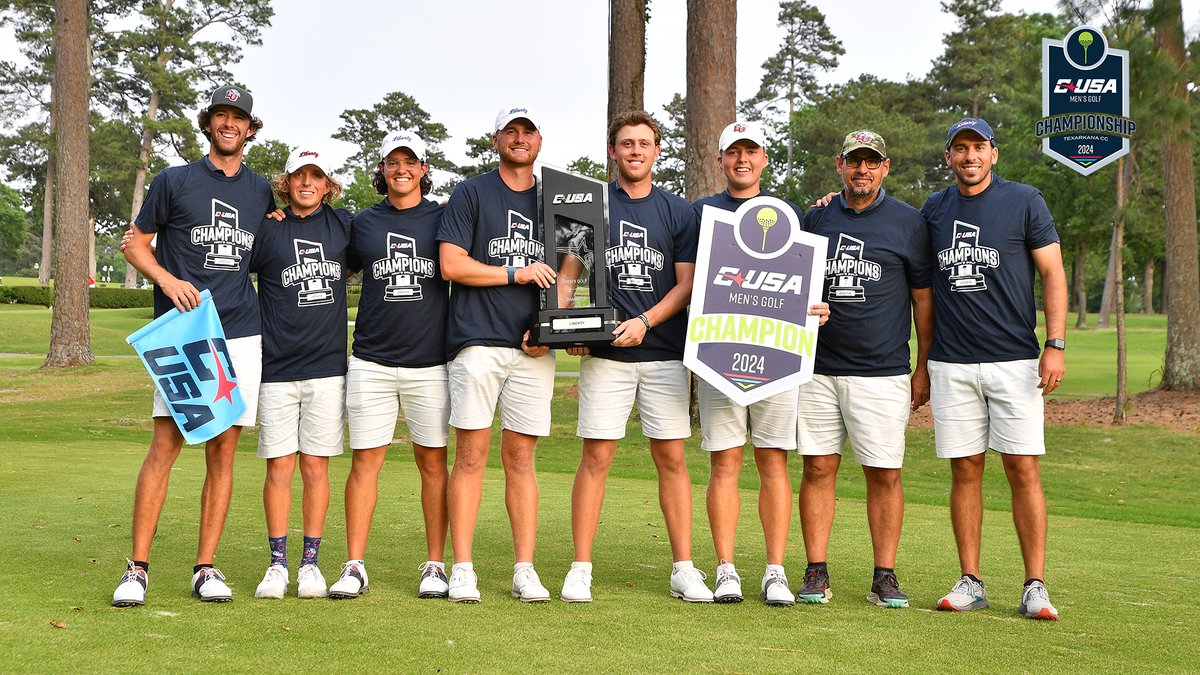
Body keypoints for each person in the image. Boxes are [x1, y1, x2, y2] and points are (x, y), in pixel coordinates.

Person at [114, 85, 274, 606]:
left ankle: (205, 567)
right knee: (165, 445)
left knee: (223, 451)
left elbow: (274, 239)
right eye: (221, 116)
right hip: (186, 331)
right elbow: (133, 243)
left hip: (241, 331)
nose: (230, 125)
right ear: (209, 124)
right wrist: (166, 280)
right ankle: (137, 569)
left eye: (239, 118)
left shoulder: (260, 191)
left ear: (250, 129)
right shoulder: (174, 180)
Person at [560, 111, 707, 604]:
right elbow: (567, 277)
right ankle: (580, 568)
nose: (635, 151)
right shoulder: (590, 205)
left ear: (657, 151)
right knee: (596, 457)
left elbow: (685, 285)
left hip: (663, 352)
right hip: (606, 357)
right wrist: (565, 331)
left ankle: (683, 568)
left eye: (644, 143)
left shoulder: (679, 212)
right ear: (613, 151)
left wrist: (644, 321)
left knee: (671, 458)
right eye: (626, 144)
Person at [923, 117, 1066, 621]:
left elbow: (1052, 272)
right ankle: (971, 579)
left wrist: (1055, 343)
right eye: (959, 149)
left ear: (994, 153)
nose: (969, 157)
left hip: (1015, 360)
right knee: (965, 469)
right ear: (948, 158)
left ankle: (1035, 585)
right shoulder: (935, 209)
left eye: (978, 147)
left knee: (1022, 468)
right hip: (951, 361)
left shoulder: (1025, 200)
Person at [793, 129, 934, 609]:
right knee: (818, 468)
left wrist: (923, 366)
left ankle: (885, 575)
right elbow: (790, 284)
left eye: (871, 162)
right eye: (855, 161)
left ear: (885, 167)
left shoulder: (909, 223)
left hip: (882, 370)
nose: (862, 170)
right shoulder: (815, 217)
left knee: (885, 474)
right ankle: (816, 571)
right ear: (840, 164)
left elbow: (922, 298)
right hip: (817, 368)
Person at [437, 107, 556, 603]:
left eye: (528, 131)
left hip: (532, 349)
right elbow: (451, 264)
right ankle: (462, 567)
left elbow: (570, 270)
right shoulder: (471, 192)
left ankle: (523, 568)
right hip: (478, 340)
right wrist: (516, 273)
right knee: (470, 456)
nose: (520, 138)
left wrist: (553, 328)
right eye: (512, 131)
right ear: (497, 140)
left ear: (540, 140)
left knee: (522, 459)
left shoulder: (557, 197)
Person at [327, 130, 452, 600]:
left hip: (431, 361)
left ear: (424, 168)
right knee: (366, 461)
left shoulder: (444, 217)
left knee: (433, 463)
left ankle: (436, 564)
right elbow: (323, 254)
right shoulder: (362, 223)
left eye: (411, 161)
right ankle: (355, 564)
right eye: (392, 162)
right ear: (381, 169)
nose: (401, 169)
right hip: (371, 361)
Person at [689, 121, 809, 607]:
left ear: (764, 159)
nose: (742, 159)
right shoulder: (700, 213)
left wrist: (812, 306)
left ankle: (775, 570)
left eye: (751, 151)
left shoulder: (787, 213)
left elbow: (801, 278)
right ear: (720, 160)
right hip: (720, 354)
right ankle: (726, 569)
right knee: (725, 462)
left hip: (777, 352)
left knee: (773, 460)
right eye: (732, 152)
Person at [247, 146, 351, 600]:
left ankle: (310, 563)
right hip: (275, 369)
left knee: (315, 466)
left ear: (328, 185)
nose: (307, 183)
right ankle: (277, 564)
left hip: (328, 367)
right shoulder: (265, 230)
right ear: (285, 182)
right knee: (279, 467)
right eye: (298, 176)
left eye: (316, 176)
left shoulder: (346, 225)